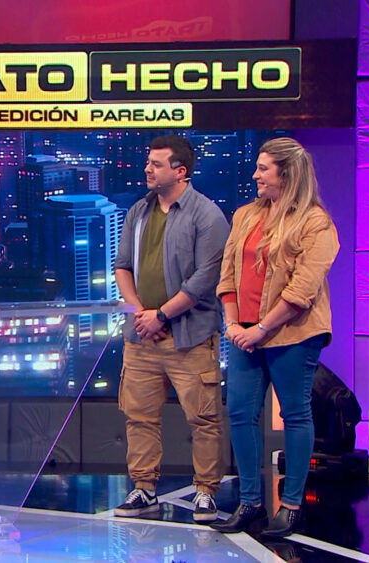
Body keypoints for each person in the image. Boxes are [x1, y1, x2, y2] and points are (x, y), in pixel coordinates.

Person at [210, 137, 339, 537]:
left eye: (263, 168)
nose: (255, 175)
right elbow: (228, 273)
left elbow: (303, 290)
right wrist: (234, 324)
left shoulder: (316, 222)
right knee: (240, 412)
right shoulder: (245, 215)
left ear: (287, 173)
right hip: (243, 333)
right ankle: (250, 502)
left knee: (295, 414)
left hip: (292, 333)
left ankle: (292, 506)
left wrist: (262, 329)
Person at [112, 135, 229, 523]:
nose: (147, 169)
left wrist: (160, 316)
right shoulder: (138, 211)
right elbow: (122, 266)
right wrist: (140, 313)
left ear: (180, 172)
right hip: (141, 336)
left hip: (189, 337)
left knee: (203, 419)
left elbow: (204, 279)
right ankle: (144, 488)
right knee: (139, 417)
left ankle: (206, 492)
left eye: (156, 164)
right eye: (148, 162)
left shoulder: (207, 215)